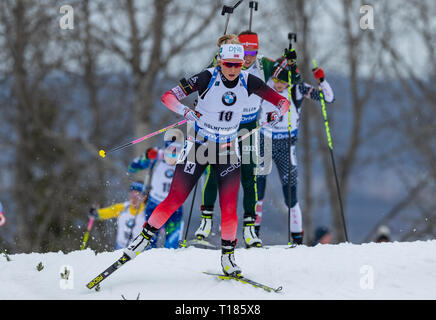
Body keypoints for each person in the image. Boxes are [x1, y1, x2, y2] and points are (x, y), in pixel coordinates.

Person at [123, 35, 290, 276]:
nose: (232, 69)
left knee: (229, 207)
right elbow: (167, 97)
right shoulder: (206, 77)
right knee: (175, 198)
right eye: (228, 64)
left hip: (227, 149)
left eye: (237, 64)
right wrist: (185, 111)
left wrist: (277, 113)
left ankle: (228, 258)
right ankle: (142, 240)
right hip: (200, 146)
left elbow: (281, 102)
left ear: (243, 63)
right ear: (220, 61)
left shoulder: (249, 81)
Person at [194, 31, 301, 248]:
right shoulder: (228, 65)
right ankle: (205, 221)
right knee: (215, 172)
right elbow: (205, 76)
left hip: (249, 125)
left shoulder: (264, 65)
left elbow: (289, 76)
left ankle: (250, 228)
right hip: (222, 126)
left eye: (253, 51)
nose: (249, 56)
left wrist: (291, 63)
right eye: (245, 51)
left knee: (249, 173)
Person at [256, 56, 335, 245]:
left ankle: (297, 240)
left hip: (286, 144)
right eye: (276, 80)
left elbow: (328, 98)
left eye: (283, 81)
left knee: (290, 195)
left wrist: (322, 81)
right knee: (257, 192)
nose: (278, 85)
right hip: (264, 143)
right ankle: (252, 235)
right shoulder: (263, 86)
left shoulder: (297, 89)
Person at [128, 135, 184, 249]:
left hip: (174, 207)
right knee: (149, 243)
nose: (173, 155)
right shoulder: (157, 156)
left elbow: (204, 172)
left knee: (172, 246)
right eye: (170, 151)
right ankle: (148, 263)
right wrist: (146, 157)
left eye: (176, 151)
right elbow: (132, 167)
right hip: (155, 204)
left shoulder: (185, 158)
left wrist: (203, 160)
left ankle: (171, 265)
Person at [88, 181, 147, 250]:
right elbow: (109, 211)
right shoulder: (123, 208)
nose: (134, 198)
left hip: (139, 251)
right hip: (120, 248)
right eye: (132, 194)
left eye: (137, 195)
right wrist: (96, 213)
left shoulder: (146, 212)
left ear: (144, 197)